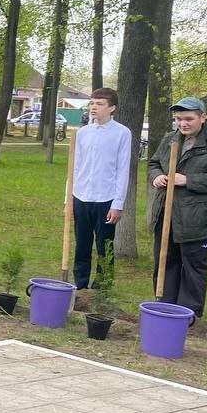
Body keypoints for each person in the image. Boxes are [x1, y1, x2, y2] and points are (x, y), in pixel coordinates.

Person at [148, 97, 207, 317]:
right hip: (166, 213)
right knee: (166, 262)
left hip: (196, 218)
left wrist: (187, 180)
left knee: (193, 268)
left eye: (188, 119)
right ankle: (164, 309)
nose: (183, 124)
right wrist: (157, 176)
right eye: (178, 119)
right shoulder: (170, 139)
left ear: (202, 118)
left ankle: (189, 316)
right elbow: (154, 163)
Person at [71, 88, 131, 290]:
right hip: (81, 196)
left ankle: (102, 286)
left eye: (99, 104)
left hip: (106, 198)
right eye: (92, 103)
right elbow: (75, 167)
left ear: (112, 108)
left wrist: (118, 203)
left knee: (104, 245)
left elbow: (123, 169)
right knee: (82, 244)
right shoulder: (83, 133)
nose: (94, 107)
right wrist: (68, 198)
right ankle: (80, 285)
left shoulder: (122, 133)